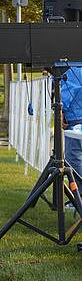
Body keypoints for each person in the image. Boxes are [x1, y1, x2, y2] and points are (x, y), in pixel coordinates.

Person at [61, 65, 82, 196]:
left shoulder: (73, 68)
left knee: (73, 159)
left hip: (76, 118)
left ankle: (79, 196)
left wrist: (62, 111)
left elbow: (68, 91)